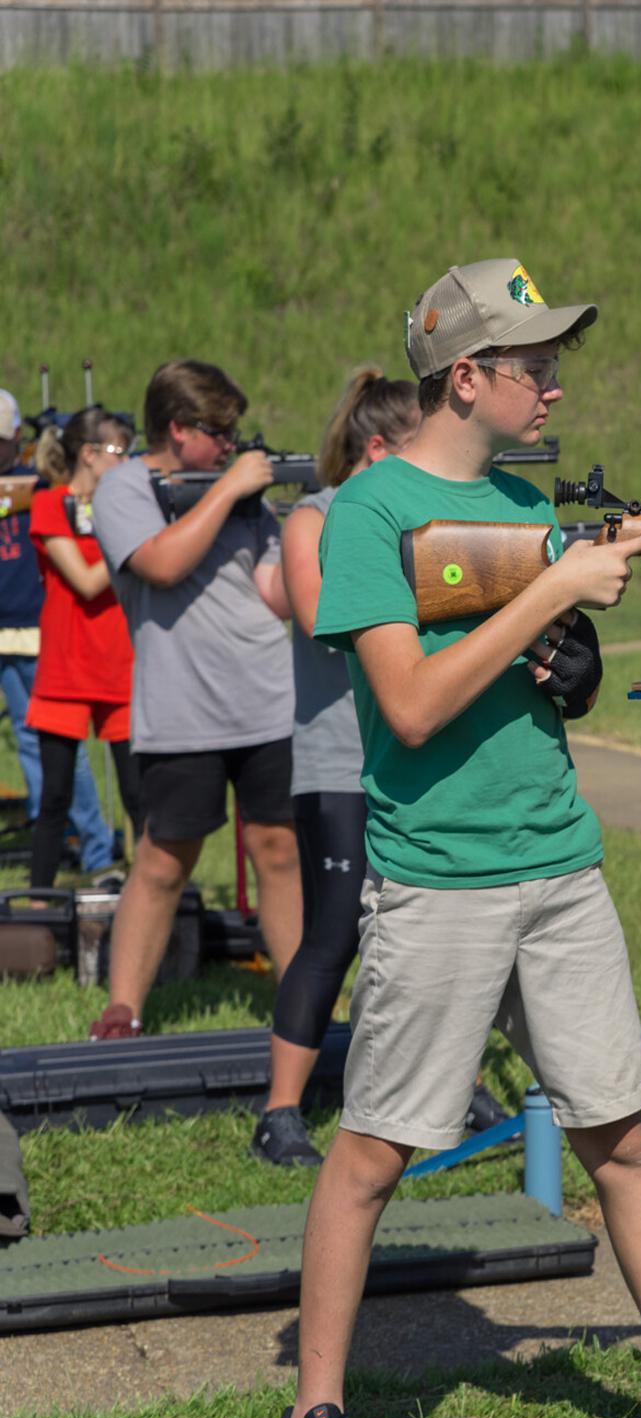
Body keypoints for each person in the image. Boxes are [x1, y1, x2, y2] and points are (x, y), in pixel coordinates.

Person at [272, 259, 641, 1418]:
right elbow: (412, 706)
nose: (555, 388)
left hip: (558, 860)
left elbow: (527, 677)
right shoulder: (366, 518)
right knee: (373, 1151)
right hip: (441, 878)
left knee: (621, 1138)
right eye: (535, 368)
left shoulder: (520, 509)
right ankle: (314, 1413)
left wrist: (571, 659)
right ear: (466, 377)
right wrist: (556, 591)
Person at [88, 360, 301, 1039]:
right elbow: (161, 563)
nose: (235, 446)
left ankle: (301, 1008)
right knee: (164, 857)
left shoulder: (242, 498)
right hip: (182, 707)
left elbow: (275, 594)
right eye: (221, 433)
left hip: (268, 698)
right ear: (179, 430)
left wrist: (320, 537)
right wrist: (229, 489)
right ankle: (124, 1008)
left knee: (280, 850)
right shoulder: (125, 487)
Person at [248, 368, 415, 1169]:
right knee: (332, 935)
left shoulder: (409, 513)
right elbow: (319, 618)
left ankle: (424, 1093)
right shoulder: (314, 518)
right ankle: (279, 1113)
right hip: (335, 762)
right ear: (376, 448)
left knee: (419, 934)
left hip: (408, 756)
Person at [26, 406, 143, 888]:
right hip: (67, 667)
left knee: (140, 798)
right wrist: (135, 542)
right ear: (89, 454)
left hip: (122, 666)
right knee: (54, 797)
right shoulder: (51, 503)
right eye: (121, 452)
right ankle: (36, 903)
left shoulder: (127, 507)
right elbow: (86, 581)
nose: (129, 461)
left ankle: (153, 897)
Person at [0, 387, 115, 871]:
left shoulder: (37, 487)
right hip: (8, 628)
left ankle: (90, 846)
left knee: (47, 744)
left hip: (30, 626)